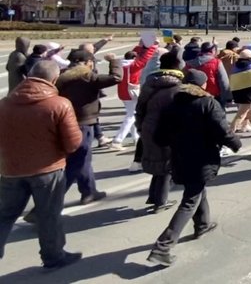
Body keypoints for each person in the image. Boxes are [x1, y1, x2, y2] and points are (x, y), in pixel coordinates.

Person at [146, 70, 242, 267]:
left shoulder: (172, 106)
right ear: (202, 85)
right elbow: (222, 131)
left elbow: (160, 137)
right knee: (190, 200)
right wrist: (236, 143)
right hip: (202, 159)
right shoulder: (207, 103)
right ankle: (162, 247)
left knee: (197, 190)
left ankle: (202, 225)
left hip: (180, 159)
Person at [0, 61, 83, 270]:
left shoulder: (5, 103)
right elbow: (73, 143)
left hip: (11, 169)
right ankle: (53, 256)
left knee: (4, 216)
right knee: (49, 216)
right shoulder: (59, 104)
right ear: (54, 79)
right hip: (48, 169)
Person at [56, 49, 122, 205]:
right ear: (86, 63)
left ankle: (89, 191)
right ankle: (42, 207)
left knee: (83, 160)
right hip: (82, 124)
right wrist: (114, 61)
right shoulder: (86, 76)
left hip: (65, 122)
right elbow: (116, 77)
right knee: (75, 164)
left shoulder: (60, 75)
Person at [137, 51, 185, 213]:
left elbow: (140, 107)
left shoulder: (150, 83)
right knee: (168, 166)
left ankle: (153, 195)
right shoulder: (178, 87)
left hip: (148, 127)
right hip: (168, 130)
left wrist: (140, 126)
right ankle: (161, 201)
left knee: (158, 162)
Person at [111, 42, 159, 150]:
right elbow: (145, 58)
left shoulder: (120, 65)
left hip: (123, 93)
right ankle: (118, 140)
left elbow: (139, 54)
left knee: (131, 113)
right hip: (131, 93)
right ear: (134, 58)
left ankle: (136, 137)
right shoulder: (133, 66)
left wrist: (142, 45)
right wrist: (152, 46)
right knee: (131, 115)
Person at [185, 42, 232, 108]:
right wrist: (226, 98)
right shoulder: (216, 62)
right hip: (213, 96)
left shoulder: (189, 63)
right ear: (213, 51)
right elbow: (224, 82)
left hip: (192, 95)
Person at [229, 49, 251, 135]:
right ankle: (230, 132)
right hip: (249, 93)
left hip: (236, 92)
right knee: (241, 114)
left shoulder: (235, 66)